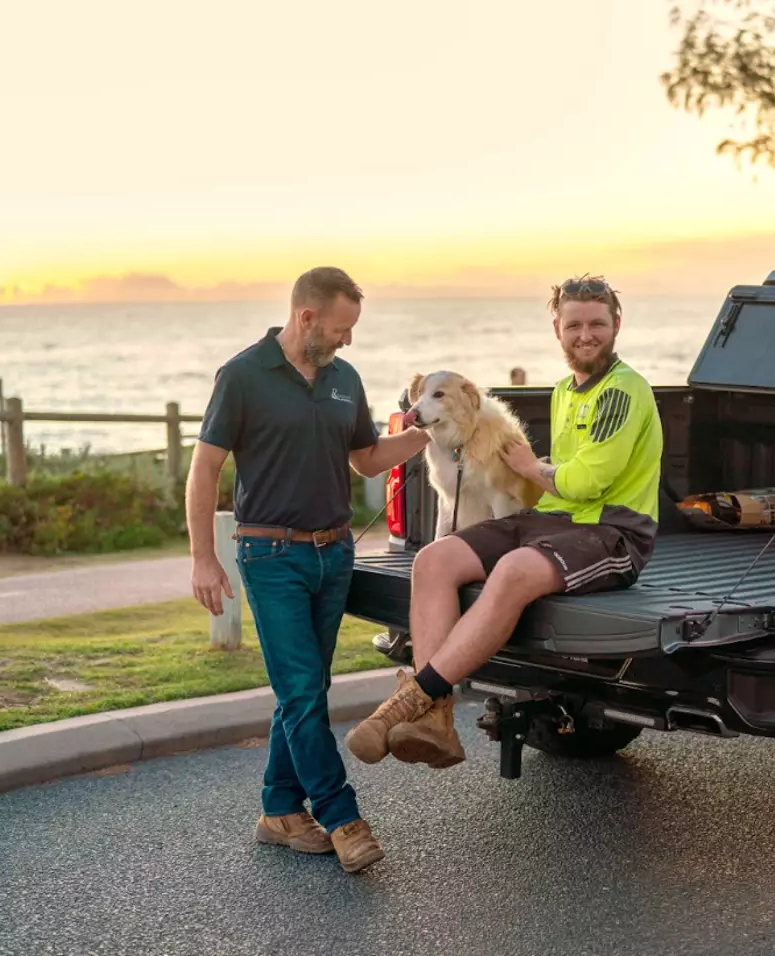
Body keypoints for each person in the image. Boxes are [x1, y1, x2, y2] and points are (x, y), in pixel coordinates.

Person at [344, 274, 663, 769]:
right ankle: (437, 721)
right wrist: (537, 475)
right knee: (434, 560)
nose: (585, 335)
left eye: (597, 324)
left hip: (612, 531)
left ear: (616, 324)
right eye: (574, 325)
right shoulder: (565, 390)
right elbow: (564, 482)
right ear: (557, 330)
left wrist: (532, 469)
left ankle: (408, 703)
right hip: (554, 518)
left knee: (514, 569)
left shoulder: (623, 390)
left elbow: (588, 482)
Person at [186, 266, 431, 873]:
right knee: (300, 691)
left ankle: (279, 810)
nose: (348, 339)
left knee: (306, 691)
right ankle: (342, 817)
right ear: (306, 317)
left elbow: (367, 459)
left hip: (335, 553)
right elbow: (205, 467)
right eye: (342, 328)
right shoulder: (243, 375)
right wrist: (202, 558)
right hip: (271, 556)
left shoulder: (345, 378)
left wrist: (425, 435)